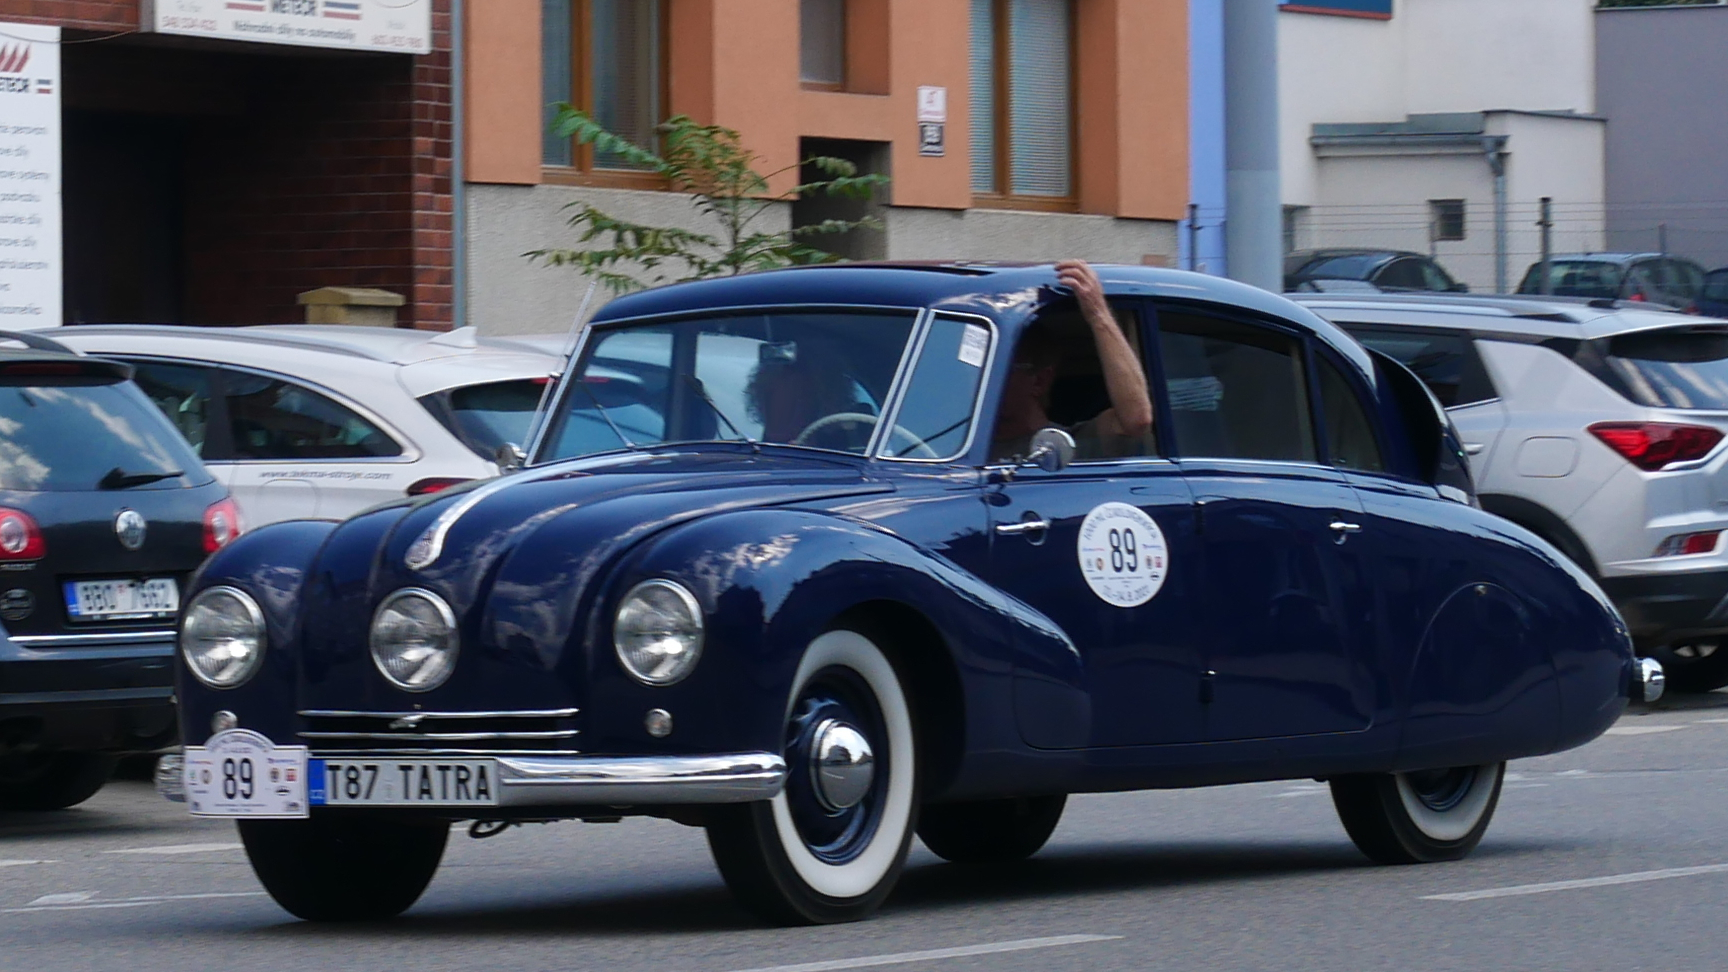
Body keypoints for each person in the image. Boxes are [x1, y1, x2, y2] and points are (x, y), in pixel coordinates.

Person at [989, 259, 1154, 461]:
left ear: (1039, 380)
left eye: (999, 367)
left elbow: (1136, 420)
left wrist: (1098, 314)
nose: (983, 380)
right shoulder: (952, 447)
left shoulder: (1076, 443)